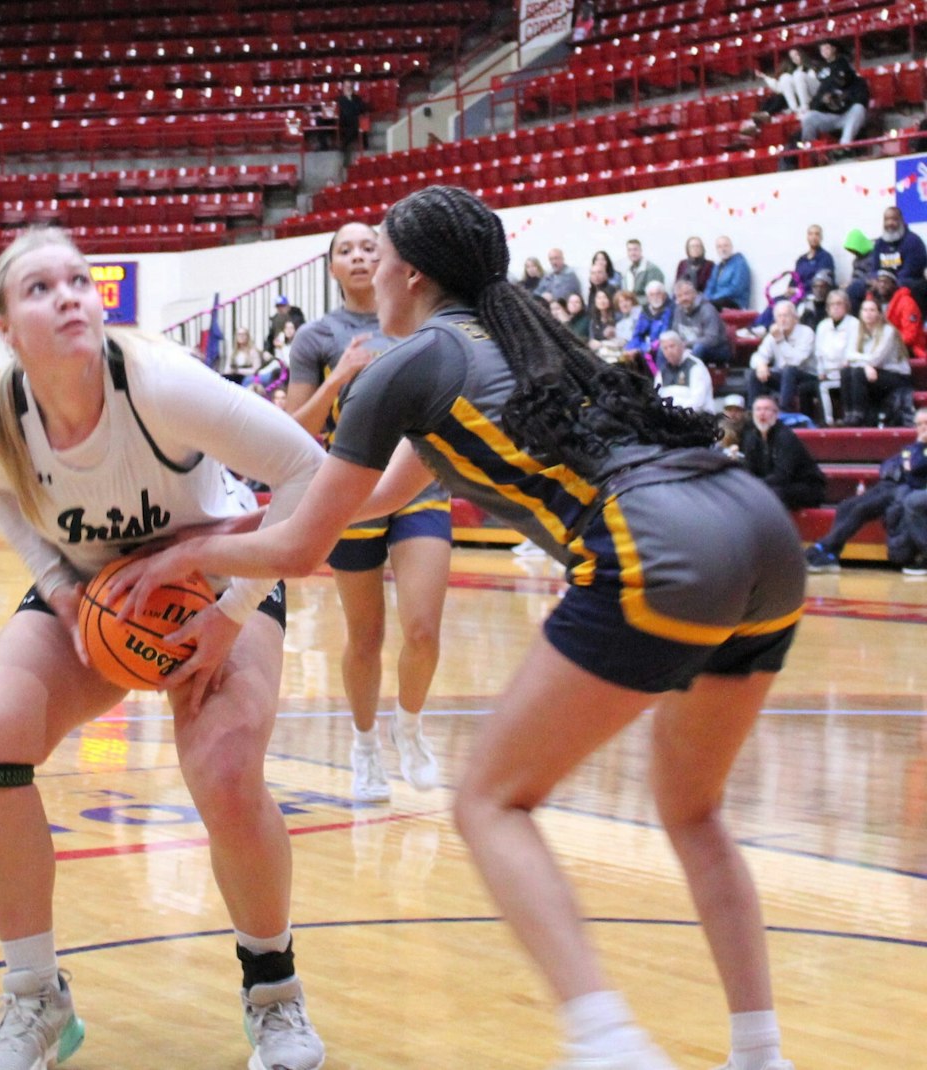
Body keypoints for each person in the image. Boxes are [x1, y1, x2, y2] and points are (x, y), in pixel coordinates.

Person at [109, 186, 805, 1070]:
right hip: (759, 530)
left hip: (659, 542)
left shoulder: (407, 363)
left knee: (488, 801)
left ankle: (607, 1045)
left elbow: (303, 545)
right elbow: (353, 508)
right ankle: (761, 1055)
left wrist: (179, 567)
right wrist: (217, 537)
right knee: (694, 811)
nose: (373, 267)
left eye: (383, 252)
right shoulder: (511, 346)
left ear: (409, 272)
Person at [0, 226, 328, 1070]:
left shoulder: (158, 383)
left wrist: (230, 611)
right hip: (96, 594)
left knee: (226, 773)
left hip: (219, 582)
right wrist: (61, 596)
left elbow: (308, 474)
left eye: (79, 282)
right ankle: (35, 999)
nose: (69, 297)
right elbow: (5, 505)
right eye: (41, 289)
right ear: (6, 327)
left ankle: (274, 993)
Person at [283, 222, 449, 802]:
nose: (358, 256)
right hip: (350, 493)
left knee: (424, 631)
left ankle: (410, 726)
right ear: (331, 267)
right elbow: (292, 428)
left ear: (389, 261)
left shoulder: (417, 319)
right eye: (344, 249)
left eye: (368, 247)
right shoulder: (317, 336)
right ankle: (364, 745)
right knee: (365, 636)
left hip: (422, 485)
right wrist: (338, 378)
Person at [806, 409, 927, 573]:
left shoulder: (917, 447)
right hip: (888, 484)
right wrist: (907, 462)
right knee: (846, 505)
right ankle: (831, 555)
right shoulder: (912, 447)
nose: (922, 428)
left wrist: (914, 453)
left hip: (904, 489)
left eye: (926, 423)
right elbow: (888, 465)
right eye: (919, 424)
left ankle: (822, 547)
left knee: (861, 509)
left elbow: (916, 466)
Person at [742, 396, 827, 510]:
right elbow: (749, 469)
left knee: (772, 494)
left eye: (767, 409)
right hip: (773, 486)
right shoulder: (751, 438)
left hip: (806, 487)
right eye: (758, 409)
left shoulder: (786, 437)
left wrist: (755, 486)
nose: (762, 413)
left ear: (776, 414)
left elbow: (782, 476)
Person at [840, 294, 911, 426]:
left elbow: (876, 359)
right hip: (873, 371)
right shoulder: (857, 330)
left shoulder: (888, 331)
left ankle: (858, 414)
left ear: (879, 313)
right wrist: (865, 365)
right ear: (860, 313)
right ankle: (849, 413)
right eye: (865, 310)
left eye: (872, 310)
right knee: (846, 372)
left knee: (857, 373)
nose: (868, 314)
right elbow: (847, 355)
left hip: (897, 376)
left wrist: (863, 364)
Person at [747, 301, 817, 417]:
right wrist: (761, 365)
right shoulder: (773, 336)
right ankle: (753, 412)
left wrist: (780, 340)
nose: (783, 320)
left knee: (789, 370)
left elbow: (796, 361)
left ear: (795, 318)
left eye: (786, 316)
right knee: (755, 374)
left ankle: (784, 411)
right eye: (779, 316)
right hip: (785, 377)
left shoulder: (806, 333)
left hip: (807, 375)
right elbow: (757, 356)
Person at [802, 40, 870, 149]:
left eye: (827, 48)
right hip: (831, 117)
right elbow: (814, 104)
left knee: (858, 109)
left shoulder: (856, 80)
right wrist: (823, 100)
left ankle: (845, 146)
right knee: (808, 117)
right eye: (822, 49)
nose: (839, 75)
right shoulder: (827, 81)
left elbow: (862, 101)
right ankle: (811, 150)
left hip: (848, 115)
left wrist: (846, 98)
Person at [811, 289, 858, 421]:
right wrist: (821, 371)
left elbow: (852, 351)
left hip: (845, 372)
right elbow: (818, 352)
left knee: (823, 387)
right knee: (808, 386)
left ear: (846, 306)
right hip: (826, 372)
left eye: (839, 303)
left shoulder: (854, 324)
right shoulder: (823, 326)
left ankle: (828, 422)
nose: (836, 307)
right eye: (832, 304)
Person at [671, 278, 731, 365]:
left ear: (694, 294)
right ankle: (662, 376)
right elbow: (675, 333)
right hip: (688, 347)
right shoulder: (678, 310)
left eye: (686, 294)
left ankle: (689, 375)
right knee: (666, 348)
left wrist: (686, 344)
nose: (684, 298)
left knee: (698, 348)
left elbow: (712, 339)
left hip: (717, 349)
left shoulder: (707, 310)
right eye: (679, 296)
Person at [654, 330, 715, 413]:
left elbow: (698, 402)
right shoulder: (662, 372)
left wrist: (676, 413)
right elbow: (657, 397)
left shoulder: (696, 367)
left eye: (672, 346)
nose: (669, 351)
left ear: (682, 346)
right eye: (665, 348)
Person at [622, 280, 674, 370]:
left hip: (658, 347)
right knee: (626, 353)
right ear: (648, 297)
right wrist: (631, 348)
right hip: (644, 346)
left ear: (664, 295)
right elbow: (637, 334)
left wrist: (642, 349)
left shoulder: (670, 310)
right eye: (652, 295)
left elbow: (663, 337)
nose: (655, 297)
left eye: (658, 294)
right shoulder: (645, 311)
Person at [703, 236, 751, 312]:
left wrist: (713, 298)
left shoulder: (740, 264)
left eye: (726, 246)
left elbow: (735, 289)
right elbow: (710, 285)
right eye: (719, 247)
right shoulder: (718, 266)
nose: (723, 249)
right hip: (718, 301)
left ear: (731, 247)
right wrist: (705, 298)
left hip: (736, 303)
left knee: (710, 307)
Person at [793, 224, 835, 291]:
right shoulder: (801, 260)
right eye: (810, 234)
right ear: (807, 237)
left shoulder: (826, 257)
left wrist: (798, 289)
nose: (814, 237)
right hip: (797, 294)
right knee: (776, 300)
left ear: (821, 237)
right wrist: (790, 288)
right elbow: (794, 278)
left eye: (817, 234)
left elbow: (820, 281)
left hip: (814, 295)